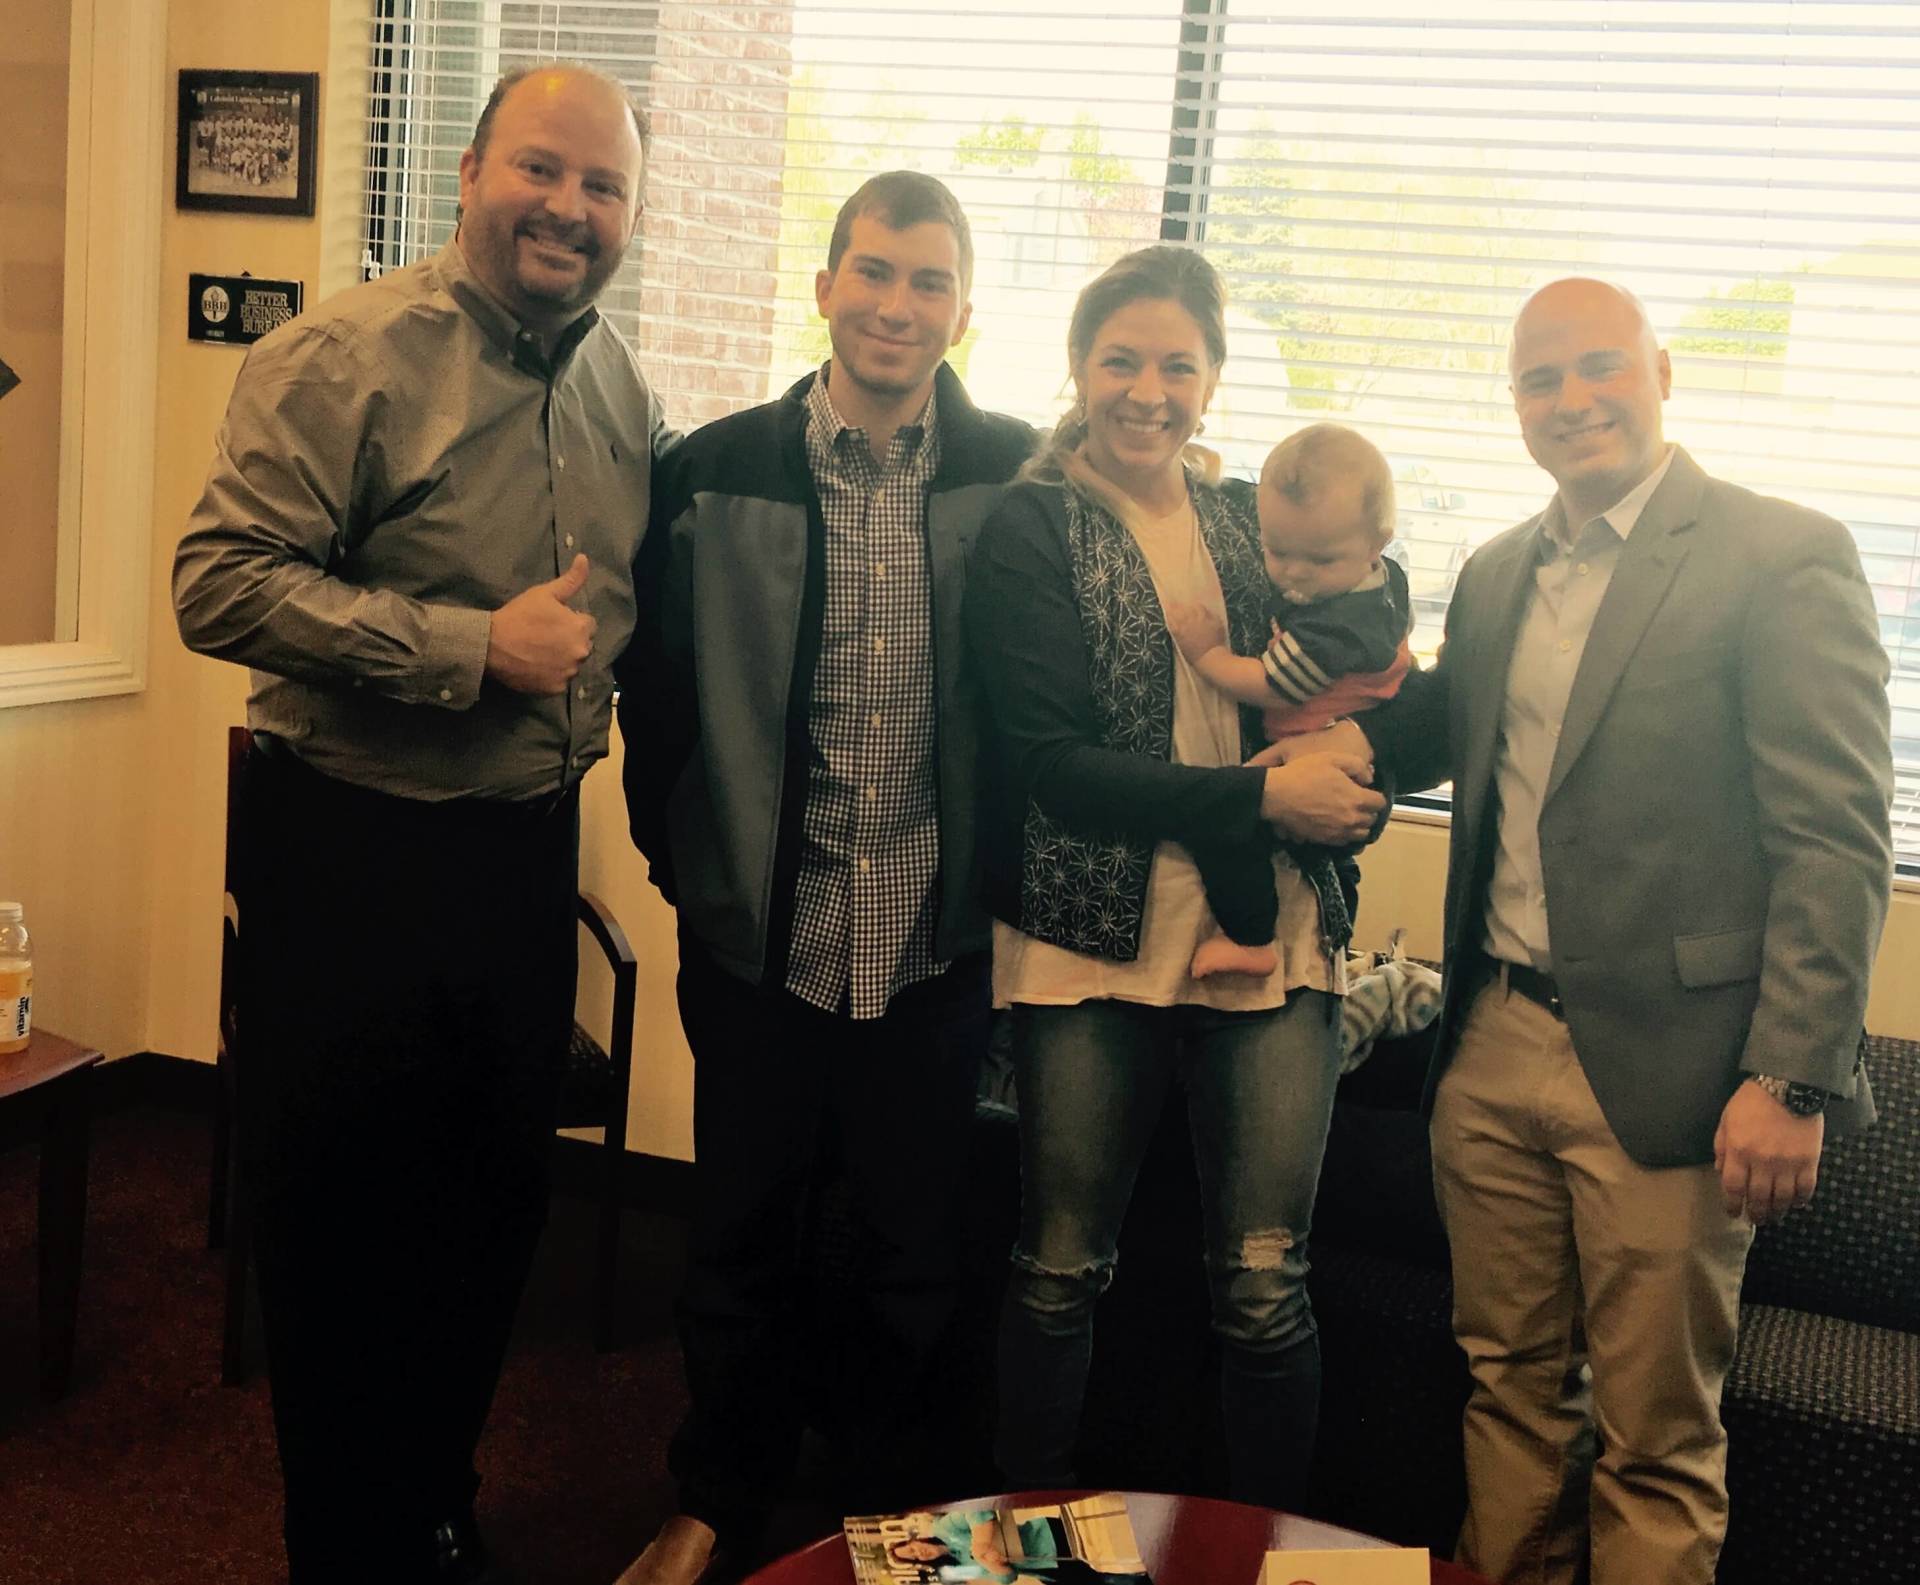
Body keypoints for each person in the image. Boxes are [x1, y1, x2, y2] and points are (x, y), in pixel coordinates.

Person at [173, 64, 665, 1585]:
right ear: (468, 171)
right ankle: (345, 1546)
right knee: (340, 1231)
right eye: (541, 168)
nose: (569, 208)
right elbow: (217, 584)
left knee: (490, 1209)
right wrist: (469, 647)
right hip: (353, 853)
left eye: (603, 186)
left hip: (521, 855)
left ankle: (434, 1503)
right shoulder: (343, 356)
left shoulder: (620, 386)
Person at [1348, 277, 1893, 1583]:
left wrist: (1791, 1076)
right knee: (1510, 1395)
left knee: (1656, 1441)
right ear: (1515, 403)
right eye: (1541, 378)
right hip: (1491, 1047)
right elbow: (1441, 731)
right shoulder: (1495, 574)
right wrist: (1291, 749)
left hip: (1676, 1073)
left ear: (1663, 373)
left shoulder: (1782, 554)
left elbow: (1834, 835)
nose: (1573, 398)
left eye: (1601, 366)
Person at [613, 171, 1035, 1585]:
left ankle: (890, 1518)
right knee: (737, 1230)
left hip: (933, 942)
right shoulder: (713, 471)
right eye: (873, 271)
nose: (896, 305)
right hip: (759, 938)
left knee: (913, 1252)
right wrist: (689, 861)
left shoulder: (1020, 480)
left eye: (928, 281)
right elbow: (656, 691)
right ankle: (717, 1493)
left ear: (963, 310)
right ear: (825, 286)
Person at [965, 245, 1387, 1511]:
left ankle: (1260, 1545)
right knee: (1059, 1268)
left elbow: (1382, 637)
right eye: (1121, 360)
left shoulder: (1258, 518)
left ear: (1211, 381)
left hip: (1275, 940)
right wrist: (1262, 795)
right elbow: (1052, 766)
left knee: (1264, 1285)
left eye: (1178, 366)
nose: (1147, 391)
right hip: (1091, 940)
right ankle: (1034, 1523)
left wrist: (1360, 758)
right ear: (1078, 366)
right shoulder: (1030, 526)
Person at [1165, 423, 1412, 978]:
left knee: (1228, 824)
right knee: (1320, 863)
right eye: (1277, 551)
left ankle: (1251, 938)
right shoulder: (1380, 582)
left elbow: (1270, 684)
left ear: (1377, 542)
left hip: (1338, 771)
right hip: (1350, 760)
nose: (1294, 574)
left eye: (1320, 561)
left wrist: (1207, 653)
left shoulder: (1338, 629)